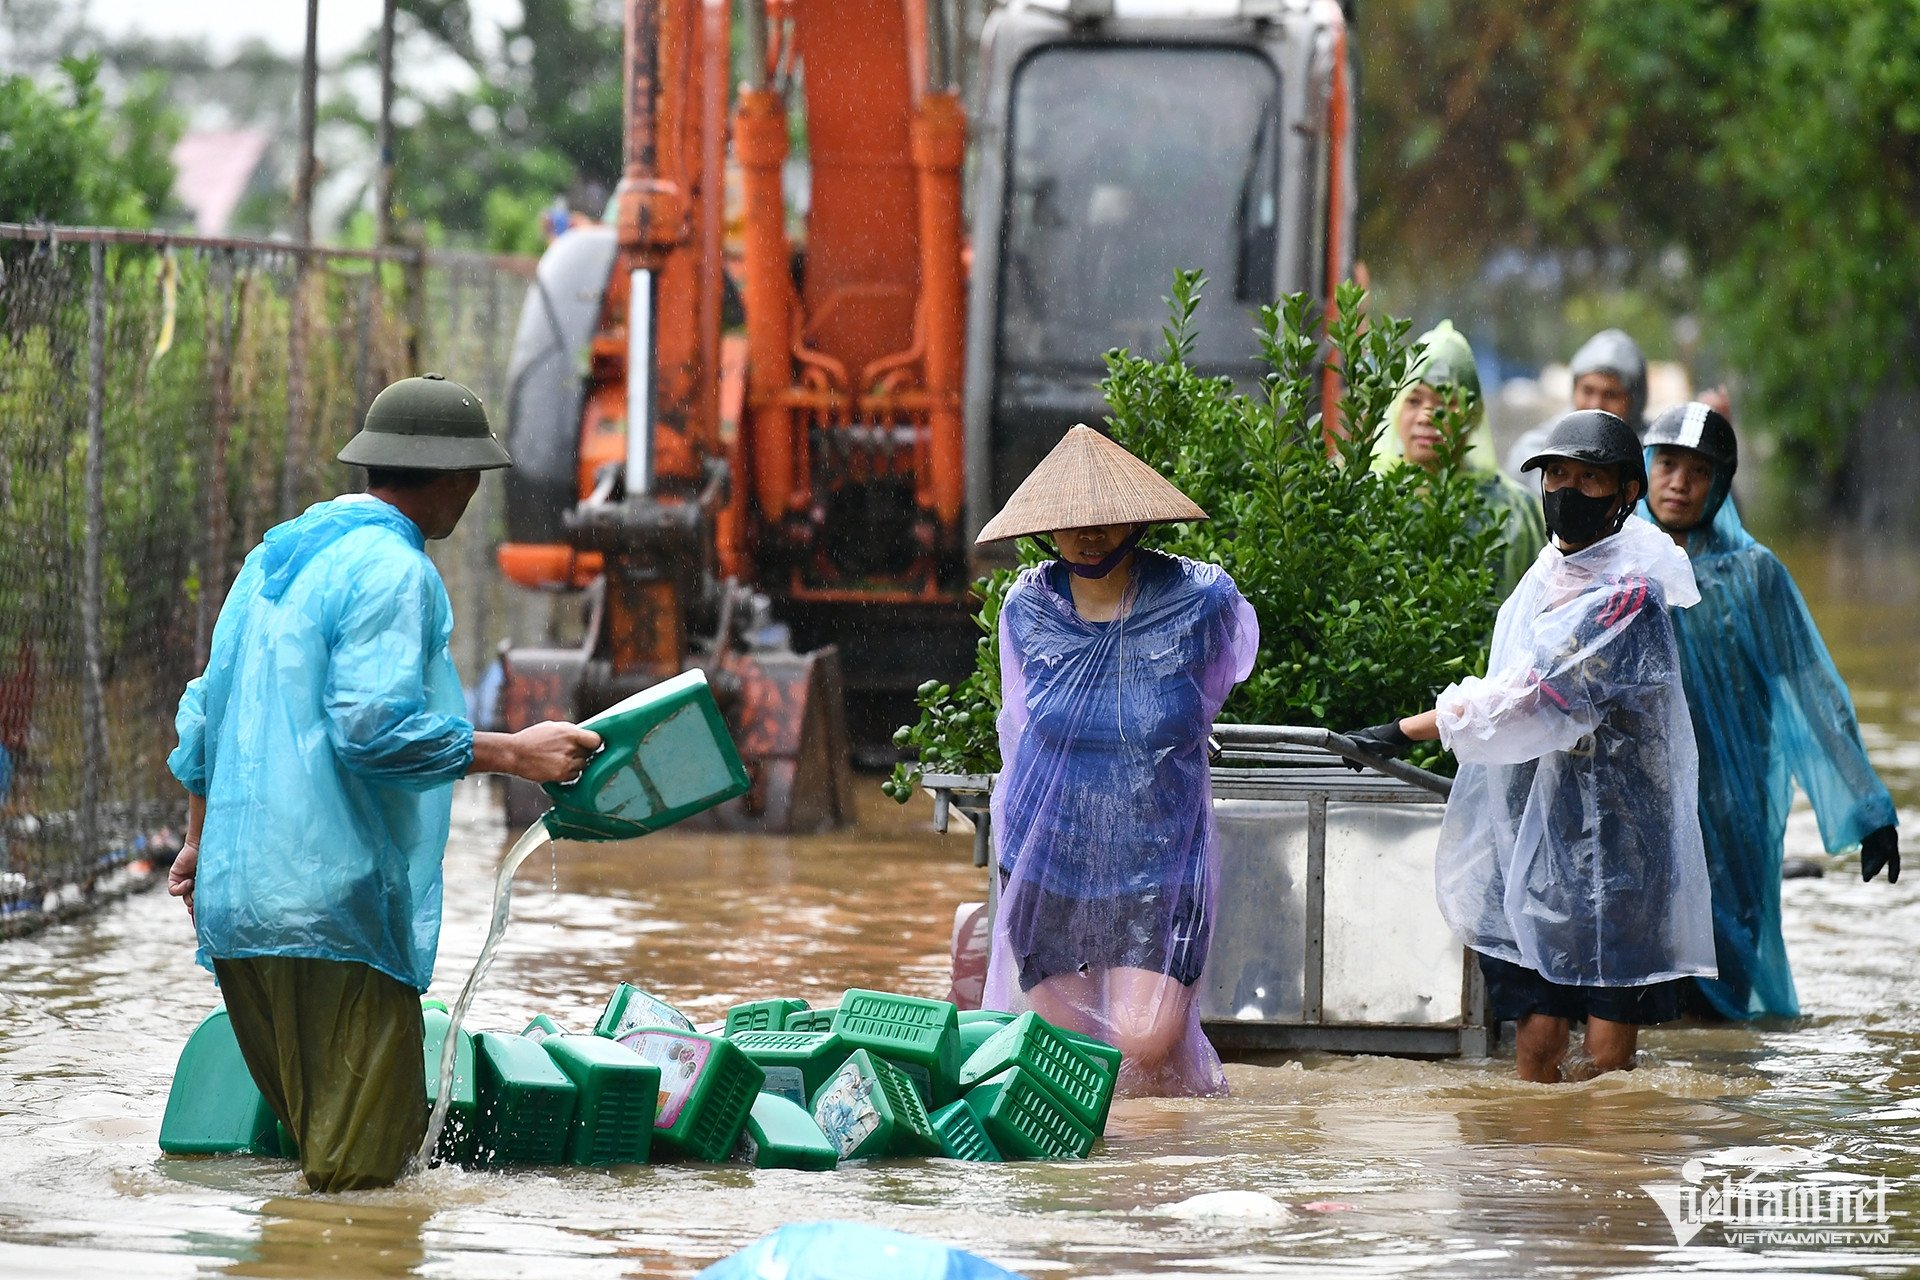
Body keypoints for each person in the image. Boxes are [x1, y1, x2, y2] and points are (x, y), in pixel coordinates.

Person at [165, 374, 601, 1192]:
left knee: (316, 1162)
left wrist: (196, 846)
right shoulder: (397, 572)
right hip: (332, 911)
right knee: (363, 1186)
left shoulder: (273, 561)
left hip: (234, 909)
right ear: (452, 478)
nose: (472, 494)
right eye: (472, 477)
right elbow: (374, 731)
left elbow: (203, 723)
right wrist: (516, 751)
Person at [1347, 410, 1716, 1082]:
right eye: (1557, 475)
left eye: (1589, 479)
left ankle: (1603, 1185)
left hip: (1623, 851)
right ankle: (1537, 1179)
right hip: (1538, 842)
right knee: (1537, 1045)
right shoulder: (1546, 574)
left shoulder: (1630, 594)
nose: (1568, 491)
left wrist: (1404, 729)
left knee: (1609, 1066)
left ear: (1626, 493)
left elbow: (1535, 698)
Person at [976, 425, 1257, 1096]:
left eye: (1105, 518)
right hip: (1050, 856)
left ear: (1137, 516)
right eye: (1072, 522)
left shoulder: (1200, 600)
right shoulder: (1026, 609)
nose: (1090, 533)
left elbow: (1222, 678)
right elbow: (1018, 725)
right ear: (1048, 529)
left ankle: (1153, 1185)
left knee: (1145, 1042)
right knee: (1069, 1064)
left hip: (1160, 856)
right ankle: (1097, 1194)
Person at [1638, 401, 1899, 1019]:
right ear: (1644, 469)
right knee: (1640, 989)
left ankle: (1719, 1104)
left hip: (1733, 811)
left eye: (1697, 471)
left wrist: (1868, 807)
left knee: (1722, 982)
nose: (1679, 482)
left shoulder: (1757, 577)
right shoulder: (1615, 565)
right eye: (1667, 464)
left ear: (1720, 484)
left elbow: (1815, 696)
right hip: (1639, 803)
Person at [1375, 320, 1546, 592]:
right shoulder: (1369, 497)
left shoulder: (1512, 508)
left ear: (1474, 414)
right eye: (1414, 400)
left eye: (1445, 402)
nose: (1426, 417)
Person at [1505, 328, 1649, 490]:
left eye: (1611, 394)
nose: (1596, 404)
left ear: (1635, 400)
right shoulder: (1534, 449)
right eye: (1588, 391)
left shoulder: (1655, 456)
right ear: (1574, 389)